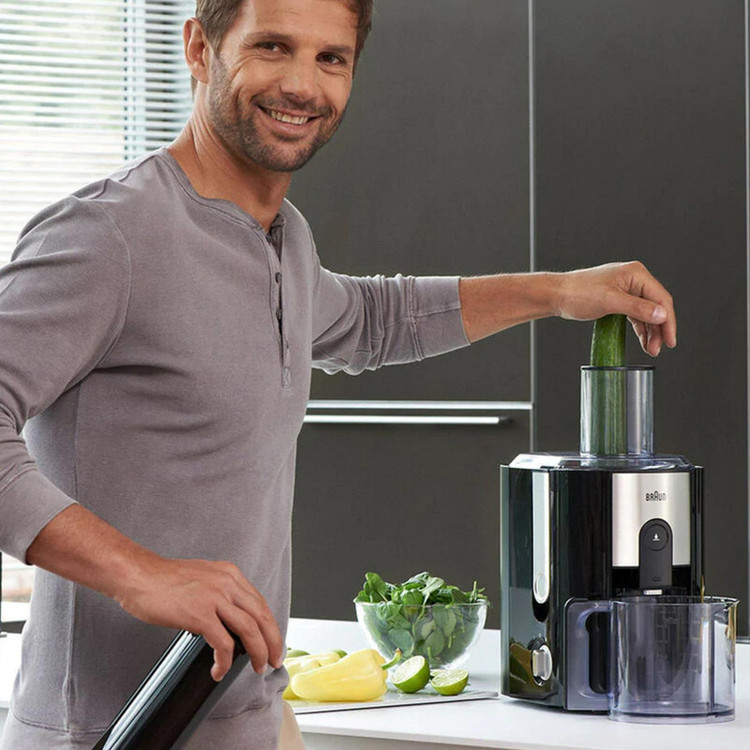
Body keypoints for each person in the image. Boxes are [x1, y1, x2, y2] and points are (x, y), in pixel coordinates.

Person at [0, 0, 676, 748]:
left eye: (331, 58)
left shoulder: (284, 238)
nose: (301, 84)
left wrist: (561, 291)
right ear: (198, 48)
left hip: (244, 717)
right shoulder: (108, 234)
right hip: (108, 730)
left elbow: (373, 319)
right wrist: (142, 573)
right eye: (272, 46)